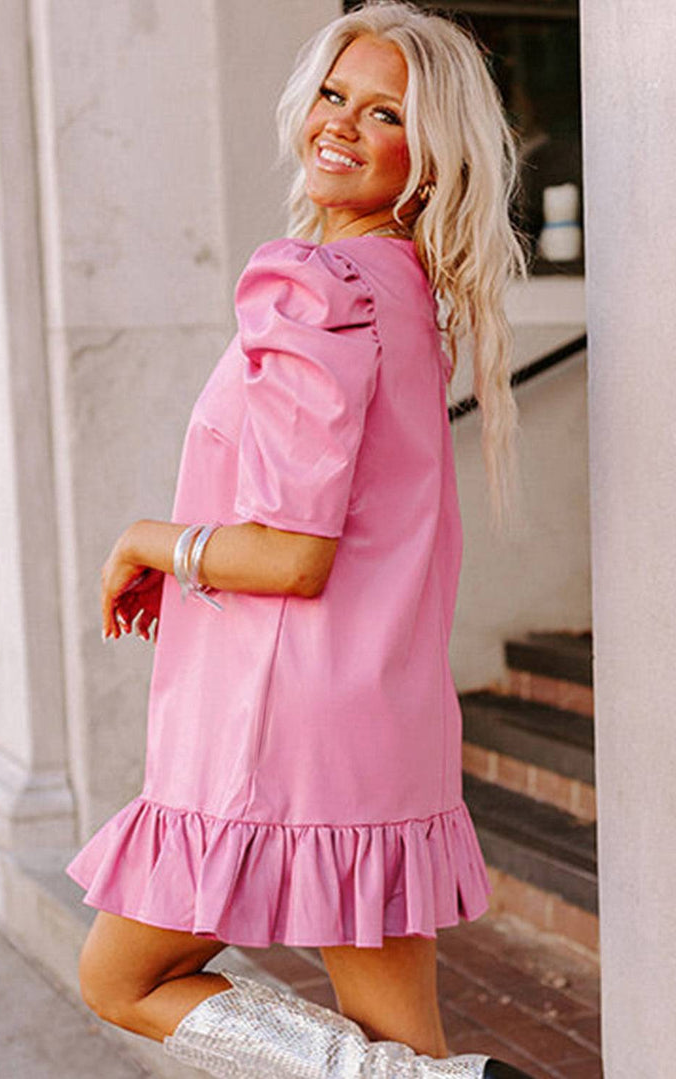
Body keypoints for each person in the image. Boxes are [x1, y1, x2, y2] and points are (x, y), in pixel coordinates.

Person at [67, 2, 533, 1076]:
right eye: (335, 94)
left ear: (428, 160)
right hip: (380, 722)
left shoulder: (313, 288)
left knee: (120, 976)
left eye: (385, 115)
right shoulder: (407, 293)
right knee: (402, 1038)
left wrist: (155, 539)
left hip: (279, 728)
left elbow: (292, 550)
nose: (341, 125)